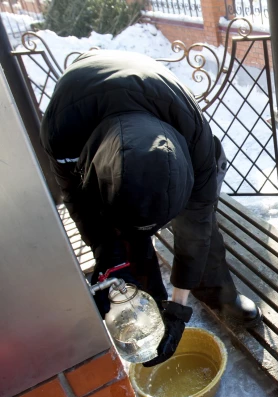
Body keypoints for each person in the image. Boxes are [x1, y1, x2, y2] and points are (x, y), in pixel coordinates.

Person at [41, 49, 263, 366]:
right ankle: (151, 302)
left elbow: (197, 222)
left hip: (157, 98)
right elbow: (78, 200)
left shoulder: (193, 133)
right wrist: (107, 251)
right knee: (128, 242)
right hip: (86, 101)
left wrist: (180, 308)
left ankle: (217, 292)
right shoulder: (62, 132)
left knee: (202, 228)